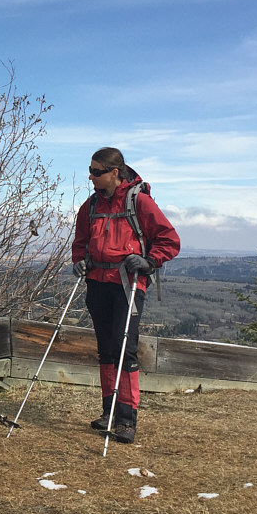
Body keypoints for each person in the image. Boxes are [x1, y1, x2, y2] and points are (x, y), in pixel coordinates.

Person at [71, 148, 180, 444]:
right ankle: (109, 411)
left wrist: (149, 261)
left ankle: (126, 418)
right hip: (97, 283)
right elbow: (80, 242)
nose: (91, 177)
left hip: (127, 284)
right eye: (90, 171)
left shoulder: (139, 202)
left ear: (115, 172)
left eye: (97, 172)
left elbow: (169, 239)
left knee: (125, 350)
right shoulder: (91, 205)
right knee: (106, 349)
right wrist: (79, 260)